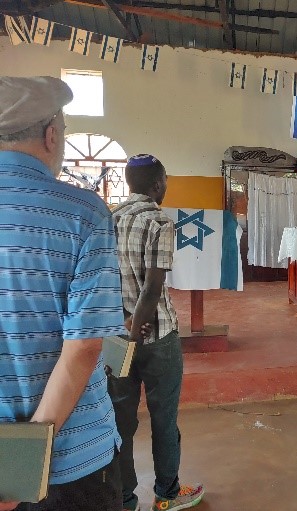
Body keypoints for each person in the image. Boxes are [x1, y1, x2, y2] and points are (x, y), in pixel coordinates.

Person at [0, 76, 126, 510]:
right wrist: (17, 472)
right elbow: (85, 347)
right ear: (52, 135)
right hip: (72, 461)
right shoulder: (83, 212)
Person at [109, 154, 204, 511]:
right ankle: (166, 495)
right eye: (165, 181)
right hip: (156, 336)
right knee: (164, 419)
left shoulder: (110, 218)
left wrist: (125, 325)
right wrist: (137, 330)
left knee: (121, 420)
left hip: (117, 336)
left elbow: (103, 280)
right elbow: (152, 287)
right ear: (156, 184)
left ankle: (123, 498)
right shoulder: (160, 222)